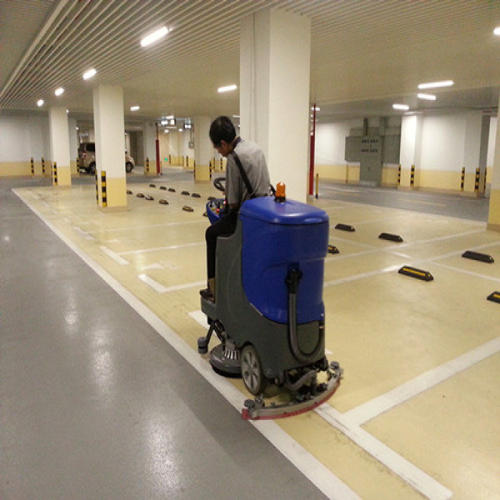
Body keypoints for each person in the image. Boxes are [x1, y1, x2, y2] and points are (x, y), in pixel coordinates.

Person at [200, 116, 270, 302]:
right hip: (263, 212)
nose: (219, 152)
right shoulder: (255, 148)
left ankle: (213, 289)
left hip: (246, 218)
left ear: (223, 143)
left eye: (217, 148)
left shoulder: (233, 158)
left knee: (211, 233)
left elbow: (232, 202)